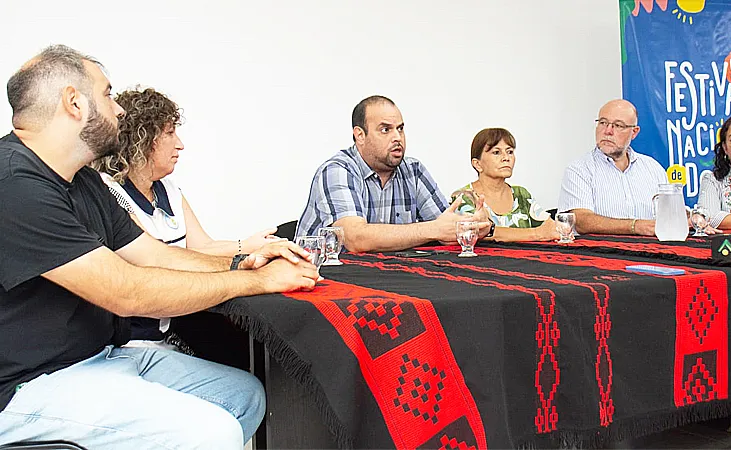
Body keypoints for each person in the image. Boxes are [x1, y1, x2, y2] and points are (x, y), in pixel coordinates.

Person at [0, 45, 320, 449]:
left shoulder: (85, 182)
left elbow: (155, 255)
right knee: (211, 431)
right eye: (107, 94)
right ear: (74, 102)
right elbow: (125, 292)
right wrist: (261, 281)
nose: (118, 109)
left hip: (98, 359)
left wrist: (244, 263)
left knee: (243, 396)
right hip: (27, 386)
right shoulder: (14, 184)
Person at [91, 88, 277, 348]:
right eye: (169, 133)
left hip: (172, 333)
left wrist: (250, 246)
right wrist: (243, 260)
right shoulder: (111, 191)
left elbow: (202, 247)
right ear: (142, 139)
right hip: (134, 341)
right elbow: (158, 260)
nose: (180, 144)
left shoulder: (168, 188)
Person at [296, 95, 489, 252]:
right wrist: (433, 229)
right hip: (324, 277)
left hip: (387, 275)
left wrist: (473, 225)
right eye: (385, 130)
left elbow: (446, 228)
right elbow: (355, 239)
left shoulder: (413, 170)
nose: (397, 137)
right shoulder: (337, 170)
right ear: (360, 135)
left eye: (400, 129)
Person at [558, 99, 667, 236]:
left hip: (651, 248)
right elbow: (581, 221)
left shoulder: (653, 168)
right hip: (601, 248)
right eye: (603, 123)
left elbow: (669, 215)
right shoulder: (579, 170)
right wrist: (635, 226)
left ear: (634, 132)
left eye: (618, 125)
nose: (607, 131)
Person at [454, 128, 559, 242]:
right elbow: (477, 233)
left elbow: (550, 228)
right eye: (496, 152)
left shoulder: (521, 194)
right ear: (477, 164)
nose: (506, 158)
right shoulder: (464, 197)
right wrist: (536, 234)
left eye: (510, 152)